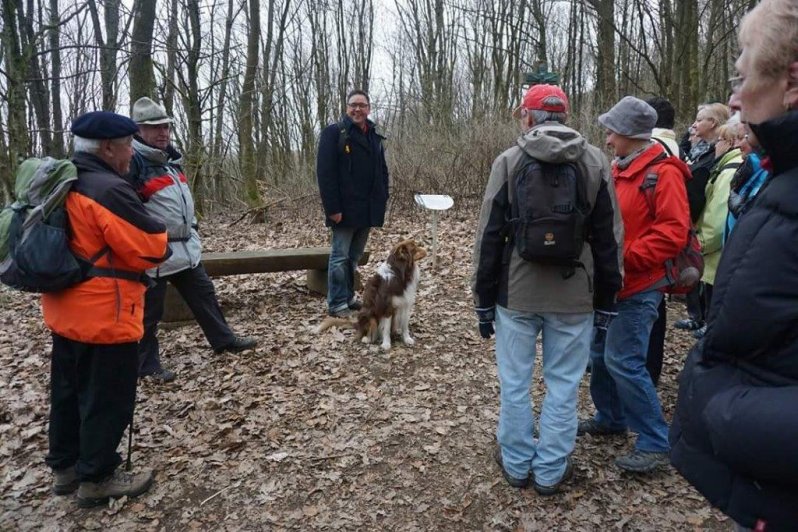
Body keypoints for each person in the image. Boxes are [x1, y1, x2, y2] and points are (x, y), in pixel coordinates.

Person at [670, 0, 798, 527]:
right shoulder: (783, 181)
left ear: (791, 83)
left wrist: (722, 409)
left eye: (742, 77)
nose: (733, 98)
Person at [472, 84, 623, 493]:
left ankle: (517, 464)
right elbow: (609, 238)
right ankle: (551, 471)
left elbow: (489, 235)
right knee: (564, 385)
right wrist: (607, 299)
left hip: (517, 293)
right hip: (575, 295)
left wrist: (483, 298)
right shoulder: (595, 161)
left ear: (528, 115)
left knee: (515, 383)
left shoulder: (509, 160)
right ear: (565, 115)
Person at [43, 111, 170, 507]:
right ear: (109, 148)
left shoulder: (65, 179)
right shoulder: (108, 189)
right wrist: (161, 236)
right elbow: (150, 247)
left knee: (68, 392)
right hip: (105, 313)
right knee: (106, 396)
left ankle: (65, 468)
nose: (132, 153)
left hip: (64, 308)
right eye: (129, 145)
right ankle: (97, 477)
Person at [580, 96, 691, 473]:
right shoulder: (618, 167)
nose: (608, 138)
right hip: (610, 285)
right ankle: (610, 418)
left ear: (630, 133)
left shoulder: (664, 173)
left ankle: (655, 441)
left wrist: (622, 256)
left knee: (623, 360)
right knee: (599, 355)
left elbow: (673, 232)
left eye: (612, 131)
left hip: (640, 286)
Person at [128, 97, 257, 383]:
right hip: (153, 254)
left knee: (204, 296)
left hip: (185, 249)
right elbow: (128, 210)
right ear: (139, 130)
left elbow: (183, 204)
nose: (163, 132)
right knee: (149, 313)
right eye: (155, 127)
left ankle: (224, 340)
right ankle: (146, 366)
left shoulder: (171, 162)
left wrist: (193, 229)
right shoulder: (133, 163)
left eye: (166, 126)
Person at [317, 89, 389, 318]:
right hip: (343, 210)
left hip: (367, 209)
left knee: (353, 257)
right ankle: (337, 303)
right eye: (353, 105)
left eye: (362, 105)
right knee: (339, 258)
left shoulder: (374, 135)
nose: (357, 109)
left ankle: (348, 297)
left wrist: (382, 198)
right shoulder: (334, 133)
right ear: (347, 108)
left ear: (369, 108)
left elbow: (382, 171)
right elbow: (325, 174)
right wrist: (333, 209)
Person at [674, 102, 730, 334]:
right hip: (695, 219)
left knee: (707, 273)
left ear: (713, 123)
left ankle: (705, 319)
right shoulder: (702, 148)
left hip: (704, 221)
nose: (694, 124)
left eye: (699, 120)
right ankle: (696, 316)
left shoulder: (718, 154)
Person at [691, 121, 743, 339]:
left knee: (714, 302)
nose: (715, 146)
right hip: (715, 248)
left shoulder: (728, 170)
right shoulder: (726, 166)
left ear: (729, 142)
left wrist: (701, 243)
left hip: (715, 250)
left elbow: (718, 213)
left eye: (719, 141)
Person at [643, 96, 680, 386]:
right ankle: (649, 368)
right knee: (657, 309)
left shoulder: (655, 151)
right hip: (657, 246)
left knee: (652, 311)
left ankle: (649, 370)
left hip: (650, 246)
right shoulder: (673, 146)